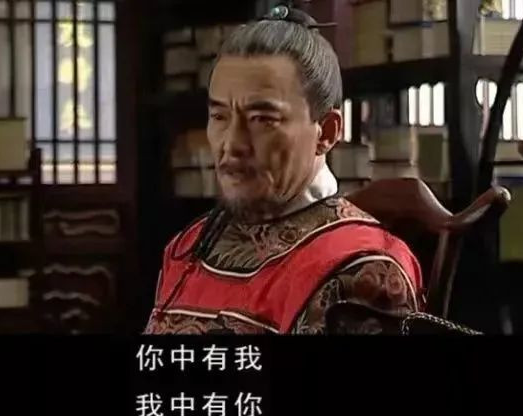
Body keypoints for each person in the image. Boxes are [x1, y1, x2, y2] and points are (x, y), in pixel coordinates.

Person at [144, 5, 424, 335]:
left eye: (262, 119)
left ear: (327, 132)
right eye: (219, 117)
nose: (232, 143)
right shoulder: (192, 243)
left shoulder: (362, 270)